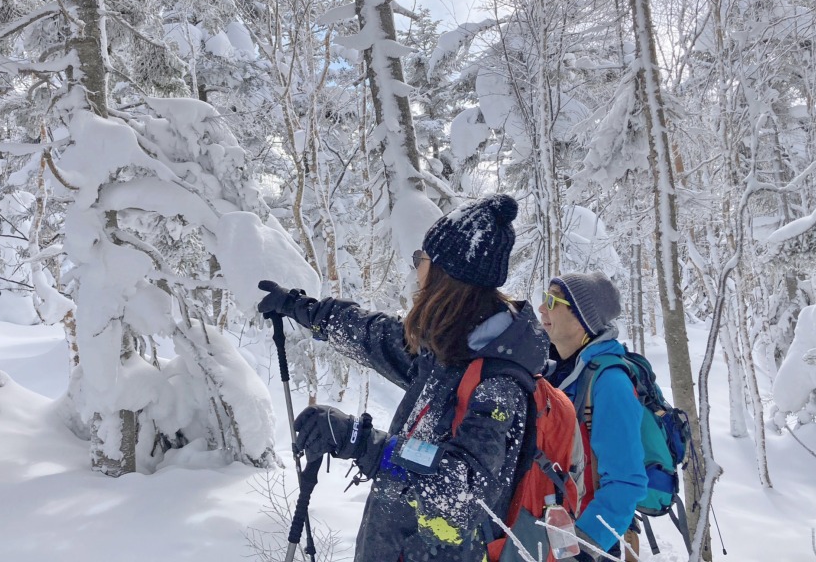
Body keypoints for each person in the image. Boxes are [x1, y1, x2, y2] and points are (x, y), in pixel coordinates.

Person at [257, 194, 548, 562]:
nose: (416, 270)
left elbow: (458, 486)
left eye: (420, 259)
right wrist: (302, 308)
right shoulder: (451, 349)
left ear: (446, 276)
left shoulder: (498, 384)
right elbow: (373, 334)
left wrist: (363, 443)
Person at [539, 271, 648, 560]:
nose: (541, 308)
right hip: (552, 532)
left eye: (552, 301)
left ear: (581, 319)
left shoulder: (610, 383)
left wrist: (581, 547)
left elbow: (626, 481)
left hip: (587, 541)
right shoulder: (556, 370)